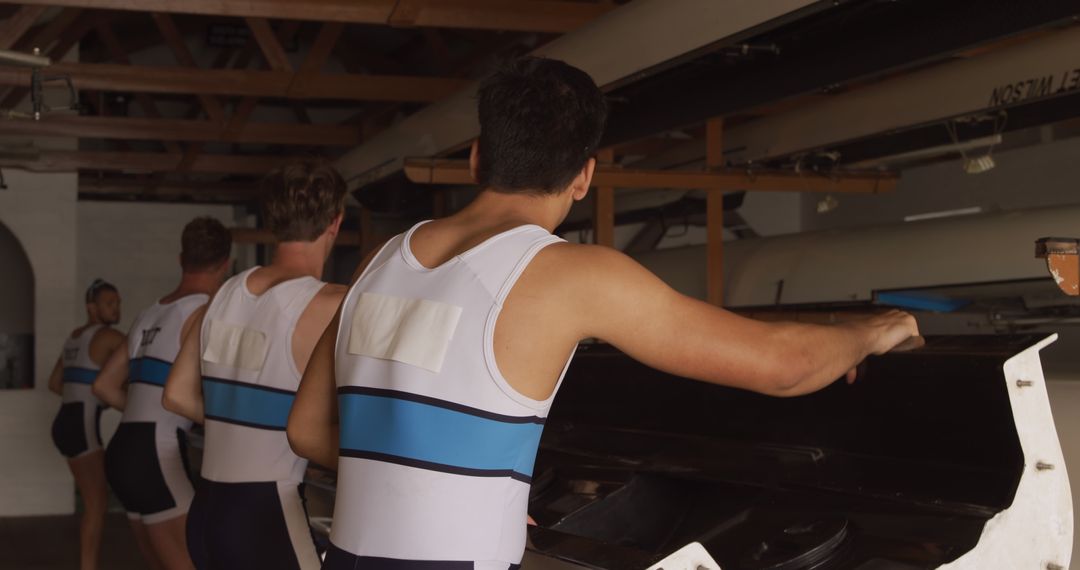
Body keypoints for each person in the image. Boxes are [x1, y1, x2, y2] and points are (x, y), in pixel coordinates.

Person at [288, 57, 921, 569]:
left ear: (478, 157)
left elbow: (306, 430)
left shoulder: (380, 260)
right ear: (585, 176)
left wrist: (453, 492)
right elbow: (782, 367)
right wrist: (868, 331)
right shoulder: (570, 272)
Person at [163, 162, 348, 570]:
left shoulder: (224, 294)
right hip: (265, 516)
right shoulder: (334, 303)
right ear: (335, 222)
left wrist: (240, 421)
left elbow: (175, 394)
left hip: (208, 511)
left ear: (272, 222)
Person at [92, 217, 232, 570]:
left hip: (125, 446)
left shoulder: (148, 314)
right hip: (155, 453)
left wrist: (145, 413)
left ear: (181, 259)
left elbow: (104, 386)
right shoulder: (206, 312)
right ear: (226, 264)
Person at [48, 278, 125, 570]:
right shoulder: (108, 336)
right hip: (81, 424)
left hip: (66, 420)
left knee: (95, 501)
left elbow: (55, 383)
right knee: (96, 505)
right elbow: (141, 353)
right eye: (109, 303)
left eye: (117, 302)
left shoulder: (74, 337)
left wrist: (87, 394)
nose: (116, 308)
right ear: (91, 308)